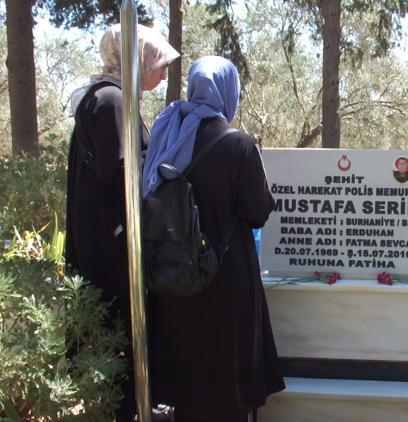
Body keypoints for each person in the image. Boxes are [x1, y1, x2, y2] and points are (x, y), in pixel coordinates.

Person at [145, 56, 285, 422]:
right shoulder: (239, 144)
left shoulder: (168, 134)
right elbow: (257, 212)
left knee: (188, 383)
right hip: (225, 278)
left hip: (175, 276)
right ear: (228, 91)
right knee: (226, 383)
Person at [65, 24, 178, 421]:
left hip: (105, 246)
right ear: (137, 59)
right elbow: (120, 176)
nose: (162, 74)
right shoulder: (112, 101)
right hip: (112, 254)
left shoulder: (106, 97)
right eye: (158, 64)